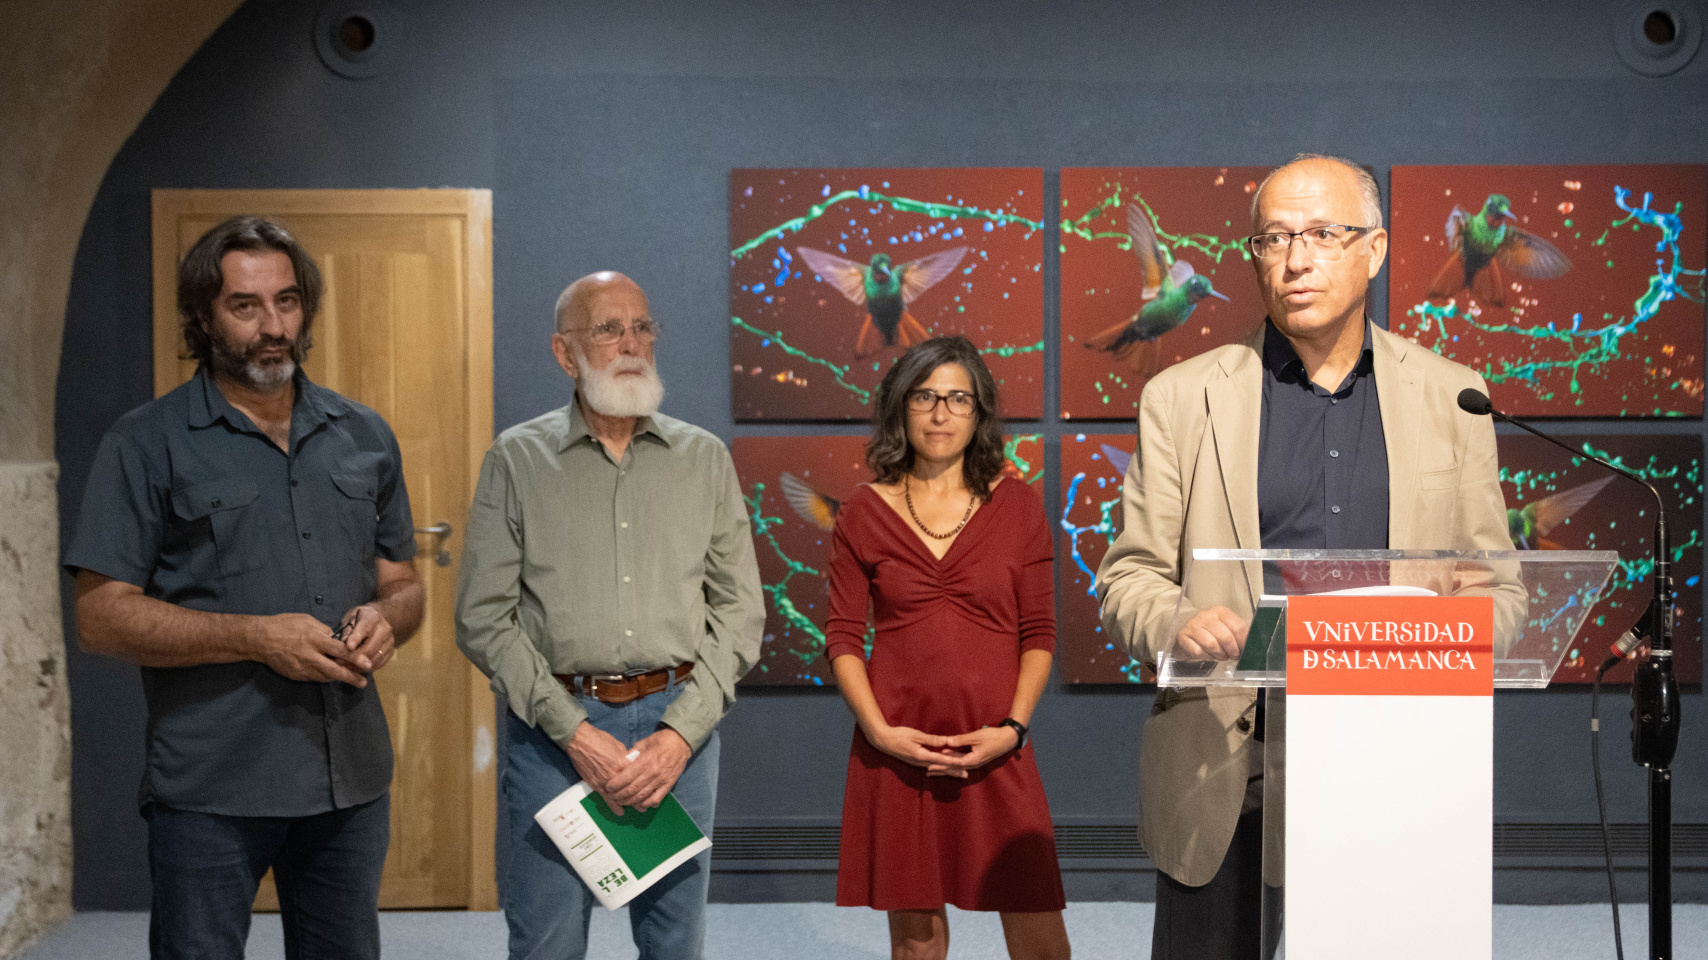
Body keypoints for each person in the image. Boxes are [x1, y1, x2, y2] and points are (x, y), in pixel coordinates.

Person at [1095, 154, 1519, 960]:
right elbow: (1129, 577)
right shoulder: (1183, 397)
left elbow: (1497, 591)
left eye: (1323, 234)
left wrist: (1448, 636)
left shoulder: (1455, 398)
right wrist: (1178, 623)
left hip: (1394, 761)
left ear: (1376, 249)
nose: (1296, 260)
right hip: (1227, 763)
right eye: (1274, 239)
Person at [66, 216, 424, 960]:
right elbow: (101, 618)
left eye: (288, 302)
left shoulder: (365, 434)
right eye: (246, 306)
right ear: (204, 316)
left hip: (348, 779)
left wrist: (390, 618)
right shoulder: (146, 441)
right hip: (213, 784)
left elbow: (404, 583)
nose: (273, 327)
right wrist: (253, 635)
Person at [455, 270, 764, 960]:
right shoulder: (517, 459)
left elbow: (740, 613)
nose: (631, 344)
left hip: (676, 731)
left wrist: (680, 736)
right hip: (552, 736)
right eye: (607, 329)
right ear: (565, 353)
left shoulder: (704, 459)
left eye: (642, 327)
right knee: (547, 942)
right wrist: (576, 734)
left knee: (674, 943)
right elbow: (482, 617)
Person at [825, 336, 1072, 960]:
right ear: (899, 409)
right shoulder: (861, 511)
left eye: (958, 398)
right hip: (900, 752)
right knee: (918, 945)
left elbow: (1039, 633)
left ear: (979, 412)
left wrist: (1013, 729)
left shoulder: (1017, 506)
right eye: (924, 397)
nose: (940, 414)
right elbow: (843, 637)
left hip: (997, 746)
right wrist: (880, 733)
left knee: (1041, 941)